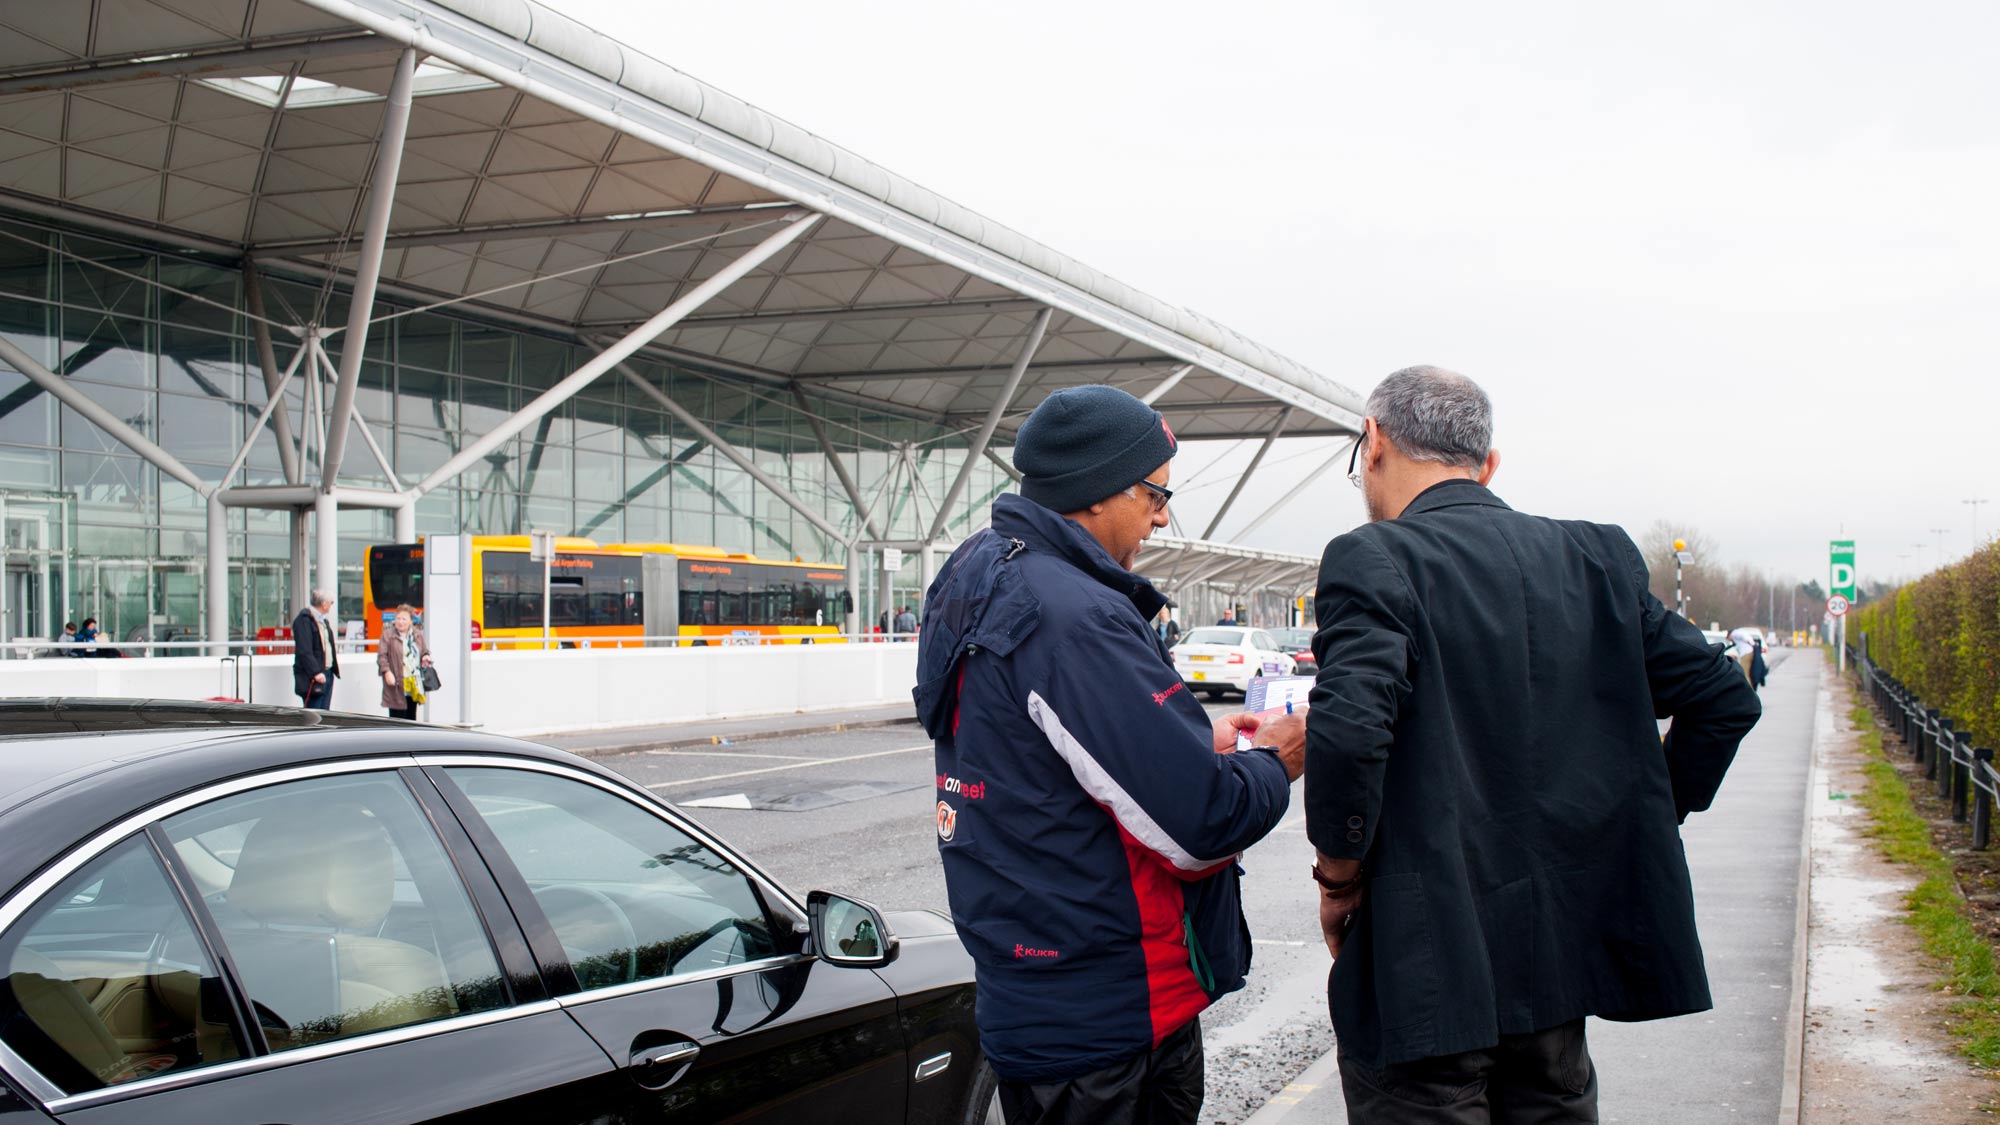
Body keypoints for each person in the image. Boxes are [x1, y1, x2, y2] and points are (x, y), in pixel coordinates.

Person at [1306, 366, 1762, 1121]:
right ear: (1487, 465)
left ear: (1375, 441)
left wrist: (1339, 877)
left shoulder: (1373, 558)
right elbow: (1722, 698)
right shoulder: (1596, 559)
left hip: (1423, 974)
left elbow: (1352, 732)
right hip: (1556, 969)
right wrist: (1637, 815)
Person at [913, 384, 1307, 1125]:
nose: (1162, 515)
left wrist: (1196, 741)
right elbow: (1201, 826)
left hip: (1033, 989)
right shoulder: (1073, 614)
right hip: (1108, 1018)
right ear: (1098, 492)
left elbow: (1043, 755)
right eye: (1156, 493)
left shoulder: (980, 570)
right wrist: (1274, 761)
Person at [378, 604, 433, 720]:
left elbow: (424, 651)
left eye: (404, 619)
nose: (400, 622)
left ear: (410, 621)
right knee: (396, 719)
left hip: (413, 683)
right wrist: (387, 672)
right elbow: (382, 656)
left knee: (411, 717)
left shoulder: (417, 635)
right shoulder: (388, 635)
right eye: (398, 618)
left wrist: (426, 657)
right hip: (397, 683)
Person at [291, 590, 340, 710]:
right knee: (314, 714)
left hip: (327, 673)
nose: (331, 605)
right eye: (331, 602)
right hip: (314, 677)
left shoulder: (322, 621)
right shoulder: (304, 620)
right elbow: (304, 650)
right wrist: (316, 672)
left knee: (325, 713)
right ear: (324, 604)